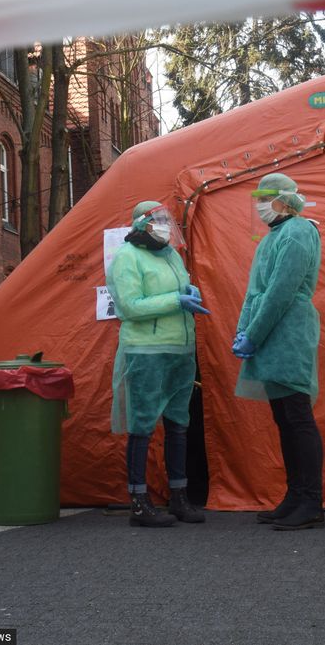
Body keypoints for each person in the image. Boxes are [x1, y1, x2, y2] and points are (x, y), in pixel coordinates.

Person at [106, 200, 210, 527]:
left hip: (180, 348)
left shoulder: (171, 256)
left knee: (179, 422)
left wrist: (187, 290)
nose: (165, 227)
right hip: (146, 351)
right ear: (141, 225)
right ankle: (139, 502)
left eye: (167, 221)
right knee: (143, 424)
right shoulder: (126, 257)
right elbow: (129, 306)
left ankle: (179, 497)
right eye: (158, 221)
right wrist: (175, 300)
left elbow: (178, 290)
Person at [232, 173, 324, 531]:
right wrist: (244, 331)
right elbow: (256, 290)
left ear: (285, 199)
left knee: (297, 416)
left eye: (265, 198)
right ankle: (295, 496)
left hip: (287, 330)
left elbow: (280, 293)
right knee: (284, 417)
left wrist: (253, 333)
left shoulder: (300, 232)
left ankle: (311, 500)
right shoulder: (271, 238)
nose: (259, 205)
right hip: (269, 333)